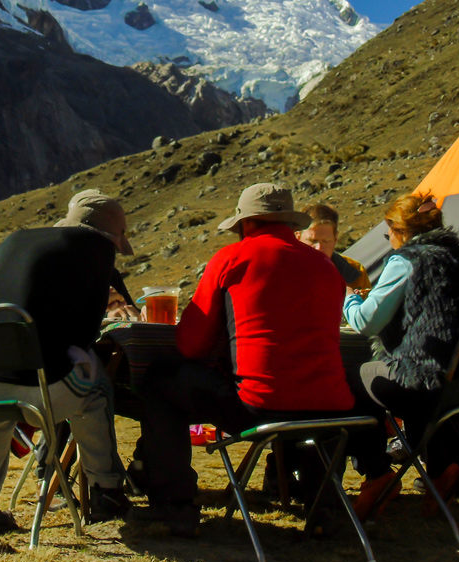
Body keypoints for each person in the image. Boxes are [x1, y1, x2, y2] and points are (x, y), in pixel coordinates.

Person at [132, 183, 356, 535]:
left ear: (245, 224)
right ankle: (326, 508)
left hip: (260, 407)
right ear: (291, 224)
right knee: (312, 394)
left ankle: (173, 505)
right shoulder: (328, 269)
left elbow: (191, 345)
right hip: (332, 414)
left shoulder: (233, 258)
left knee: (161, 379)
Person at [0, 189, 133, 534]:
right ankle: (107, 490)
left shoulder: (17, 239)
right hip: (30, 388)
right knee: (95, 387)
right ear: (110, 236)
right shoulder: (98, 249)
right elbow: (85, 334)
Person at [349, 193, 459, 520]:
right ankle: (441, 472)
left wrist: (350, 301)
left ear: (399, 231)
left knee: (353, 378)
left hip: (432, 384)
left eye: (388, 233)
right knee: (429, 374)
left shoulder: (407, 260)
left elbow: (367, 322)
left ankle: (377, 473)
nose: (389, 240)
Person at [298, 204, 373, 295]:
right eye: (313, 241)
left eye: (326, 241)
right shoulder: (282, 271)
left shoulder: (356, 273)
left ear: (335, 238)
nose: (319, 248)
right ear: (298, 237)